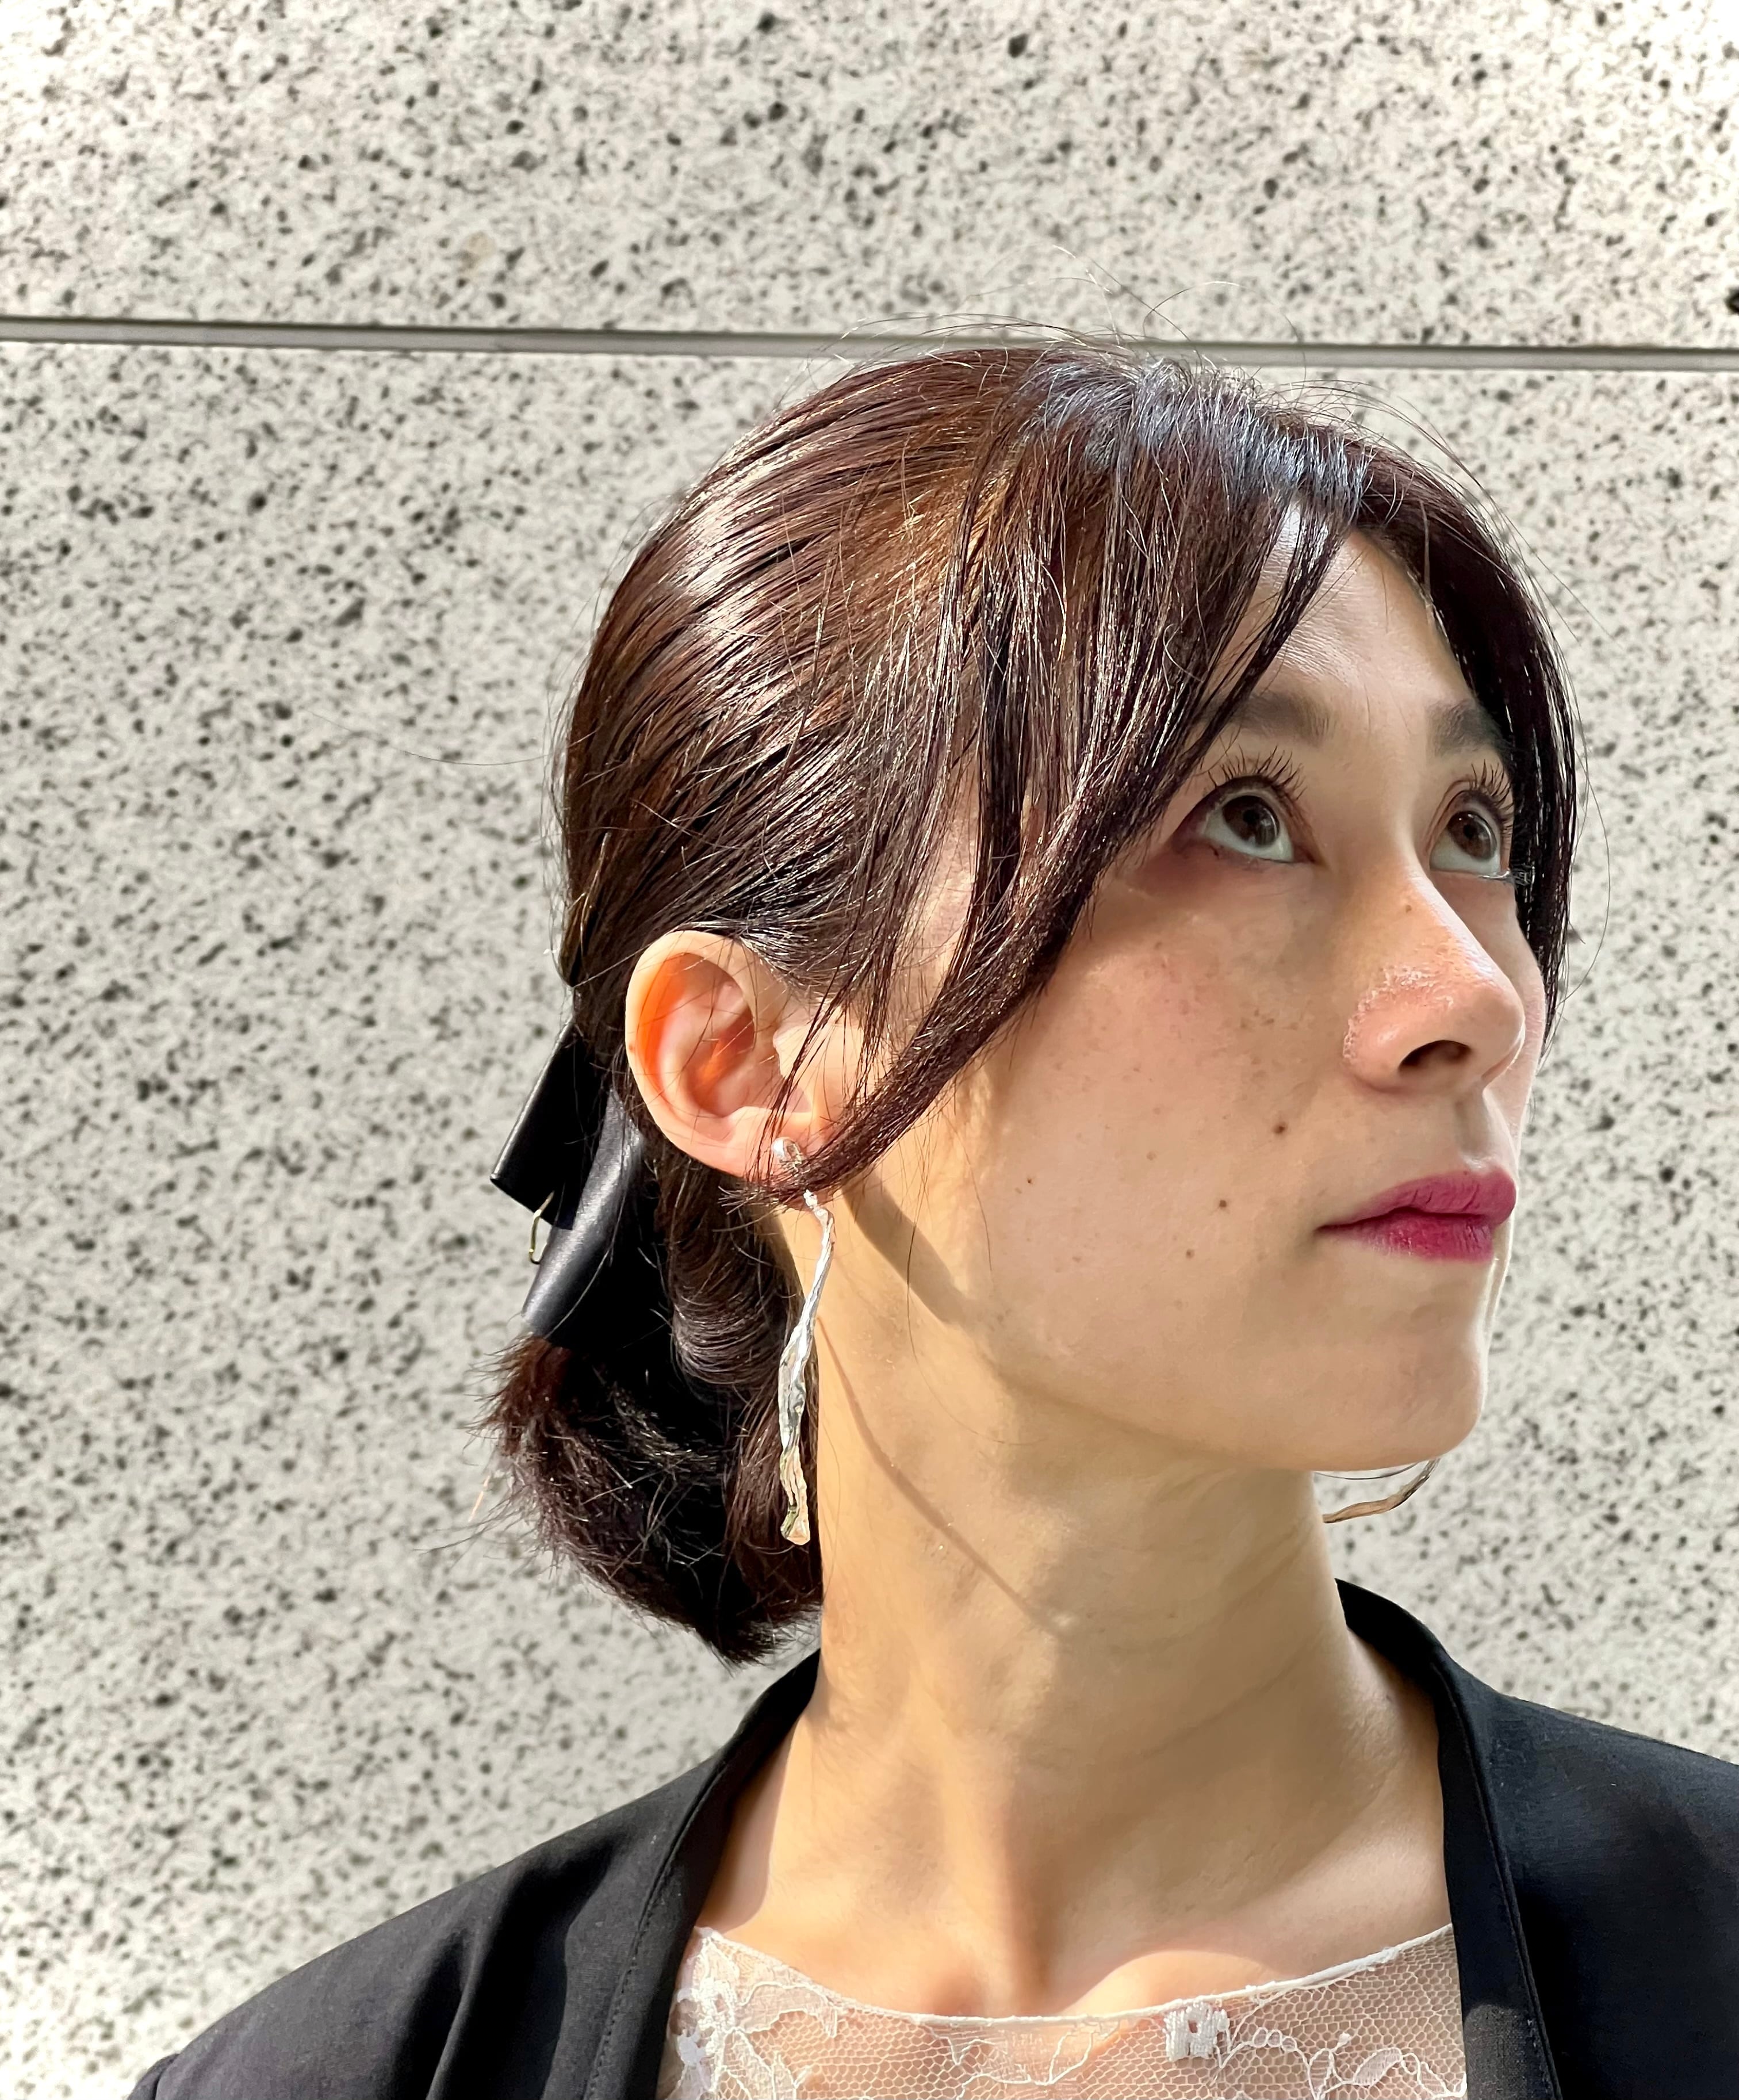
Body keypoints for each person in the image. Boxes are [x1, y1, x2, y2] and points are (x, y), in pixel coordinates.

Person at [129, 347, 1738, 2100]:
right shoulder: (333, 2075)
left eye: (1474, 828)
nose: (1475, 994)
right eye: (1246, 817)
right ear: (744, 1063)